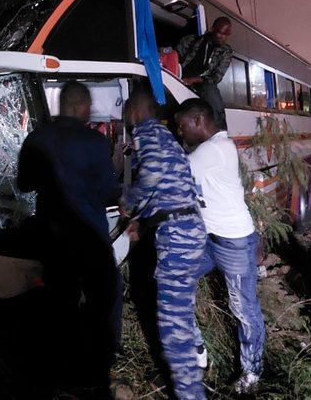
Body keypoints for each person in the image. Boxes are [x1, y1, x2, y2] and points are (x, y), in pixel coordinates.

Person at [17, 81, 122, 399]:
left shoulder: (36, 138)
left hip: (52, 237)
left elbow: (24, 185)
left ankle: (59, 374)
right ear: (81, 108)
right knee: (105, 298)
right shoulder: (94, 141)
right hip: (89, 236)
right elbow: (107, 192)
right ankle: (98, 369)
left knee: (60, 301)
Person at [175, 98, 265, 395]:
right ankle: (197, 349)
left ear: (198, 120)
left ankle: (252, 373)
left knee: (244, 309)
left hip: (235, 242)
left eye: (181, 126)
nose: (180, 132)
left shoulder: (215, 149)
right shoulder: (206, 150)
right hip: (210, 240)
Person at [122, 86, 207, 400]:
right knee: (181, 305)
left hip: (177, 237)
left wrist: (129, 204)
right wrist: (142, 221)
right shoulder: (168, 137)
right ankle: (199, 356)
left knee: (172, 326)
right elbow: (169, 189)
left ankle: (190, 392)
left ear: (134, 113)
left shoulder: (145, 133)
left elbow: (151, 178)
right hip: (190, 228)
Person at [175, 16, 233, 130]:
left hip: (202, 85)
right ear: (212, 29)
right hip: (179, 79)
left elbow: (217, 77)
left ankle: (220, 130)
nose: (223, 38)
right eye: (220, 33)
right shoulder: (191, 40)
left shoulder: (225, 51)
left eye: (227, 35)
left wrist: (193, 80)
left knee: (211, 89)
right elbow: (175, 57)